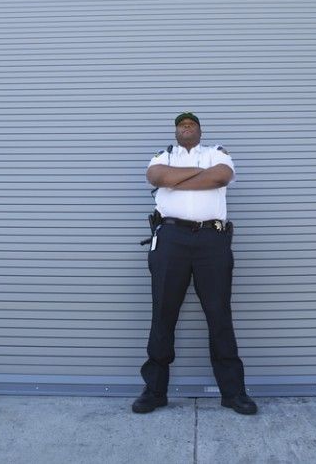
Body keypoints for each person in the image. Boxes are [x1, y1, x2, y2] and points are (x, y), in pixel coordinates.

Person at [132, 112, 258, 415]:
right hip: (170, 238)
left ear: (200, 131)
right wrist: (198, 175)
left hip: (211, 240)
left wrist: (176, 180)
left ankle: (232, 392)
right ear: (176, 133)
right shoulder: (164, 154)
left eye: (191, 125)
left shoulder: (216, 152)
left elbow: (221, 176)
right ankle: (155, 390)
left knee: (219, 314)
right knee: (163, 311)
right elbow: (155, 177)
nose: (186, 128)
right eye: (181, 125)